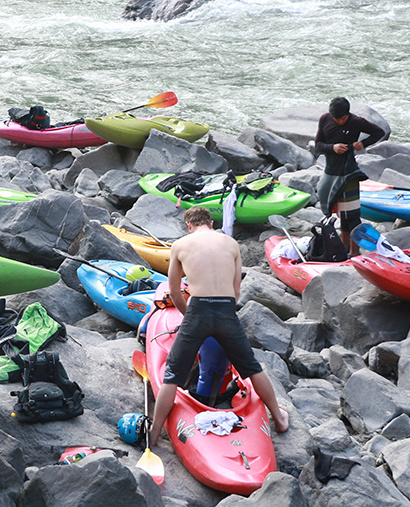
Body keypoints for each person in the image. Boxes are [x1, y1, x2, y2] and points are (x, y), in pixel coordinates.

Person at [148, 207, 289, 447]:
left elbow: (173, 290)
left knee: (172, 375)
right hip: (226, 311)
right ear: (211, 223)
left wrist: (189, 315)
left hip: (197, 310)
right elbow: (236, 291)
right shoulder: (230, 243)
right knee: (252, 367)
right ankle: (279, 416)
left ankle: (154, 432)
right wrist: (223, 315)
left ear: (188, 225)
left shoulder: (181, 245)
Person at [314, 97, 385, 254]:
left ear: (348, 114)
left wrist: (363, 144)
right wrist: (333, 147)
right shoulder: (325, 119)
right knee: (338, 211)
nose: (340, 121)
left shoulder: (356, 121)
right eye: (336, 118)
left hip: (349, 173)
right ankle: (344, 246)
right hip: (330, 172)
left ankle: (354, 252)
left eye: (343, 118)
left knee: (352, 215)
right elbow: (318, 144)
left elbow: (379, 132)